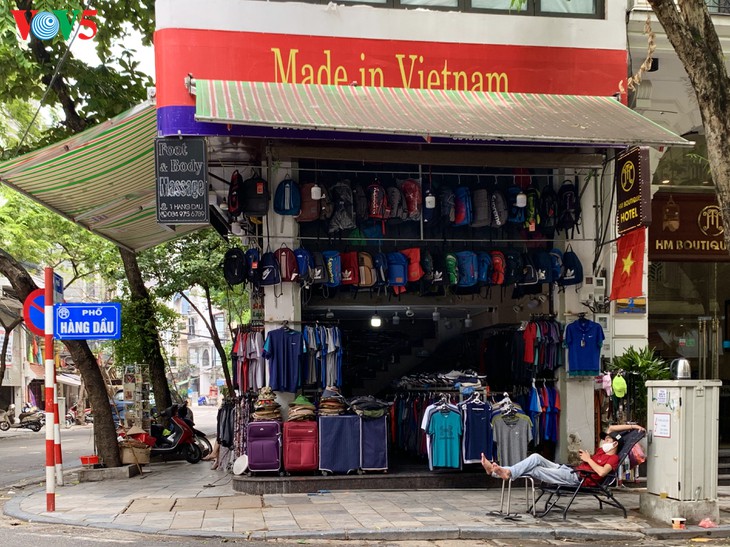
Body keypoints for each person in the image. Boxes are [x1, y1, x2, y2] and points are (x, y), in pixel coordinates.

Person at [481, 423, 645, 487]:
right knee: (536, 457)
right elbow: (611, 428)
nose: (604, 441)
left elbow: (602, 473)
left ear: (615, 444)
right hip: (569, 470)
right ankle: (501, 472)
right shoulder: (603, 451)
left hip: (577, 478)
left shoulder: (613, 458)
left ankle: (499, 472)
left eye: (608, 440)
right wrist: (633, 427)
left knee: (536, 470)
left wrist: (588, 459)